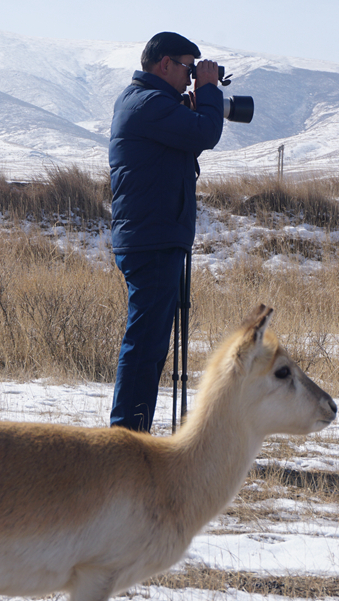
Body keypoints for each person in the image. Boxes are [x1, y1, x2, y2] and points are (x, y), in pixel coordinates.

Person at [108, 32, 224, 432]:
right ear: (165, 64)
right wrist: (208, 92)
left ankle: (131, 431)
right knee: (145, 345)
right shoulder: (149, 103)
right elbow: (205, 133)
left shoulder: (143, 101)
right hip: (153, 239)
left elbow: (188, 141)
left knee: (150, 344)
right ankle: (126, 437)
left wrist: (195, 104)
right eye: (189, 68)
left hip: (151, 235)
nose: (191, 77)